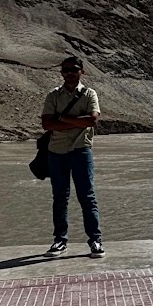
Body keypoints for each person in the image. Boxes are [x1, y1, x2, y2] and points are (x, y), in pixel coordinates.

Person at [40, 57, 104, 257]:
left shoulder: (89, 94)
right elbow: (47, 124)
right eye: (66, 70)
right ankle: (60, 240)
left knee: (87, 196)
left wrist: (62, 118)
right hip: (56, 151)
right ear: (62, 73)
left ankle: (95, 240)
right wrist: (77, 122)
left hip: (81, 150)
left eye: (74, 69)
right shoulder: (53, 95)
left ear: (81, 72)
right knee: (60, 197)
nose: (70, 73)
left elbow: (92, 120)